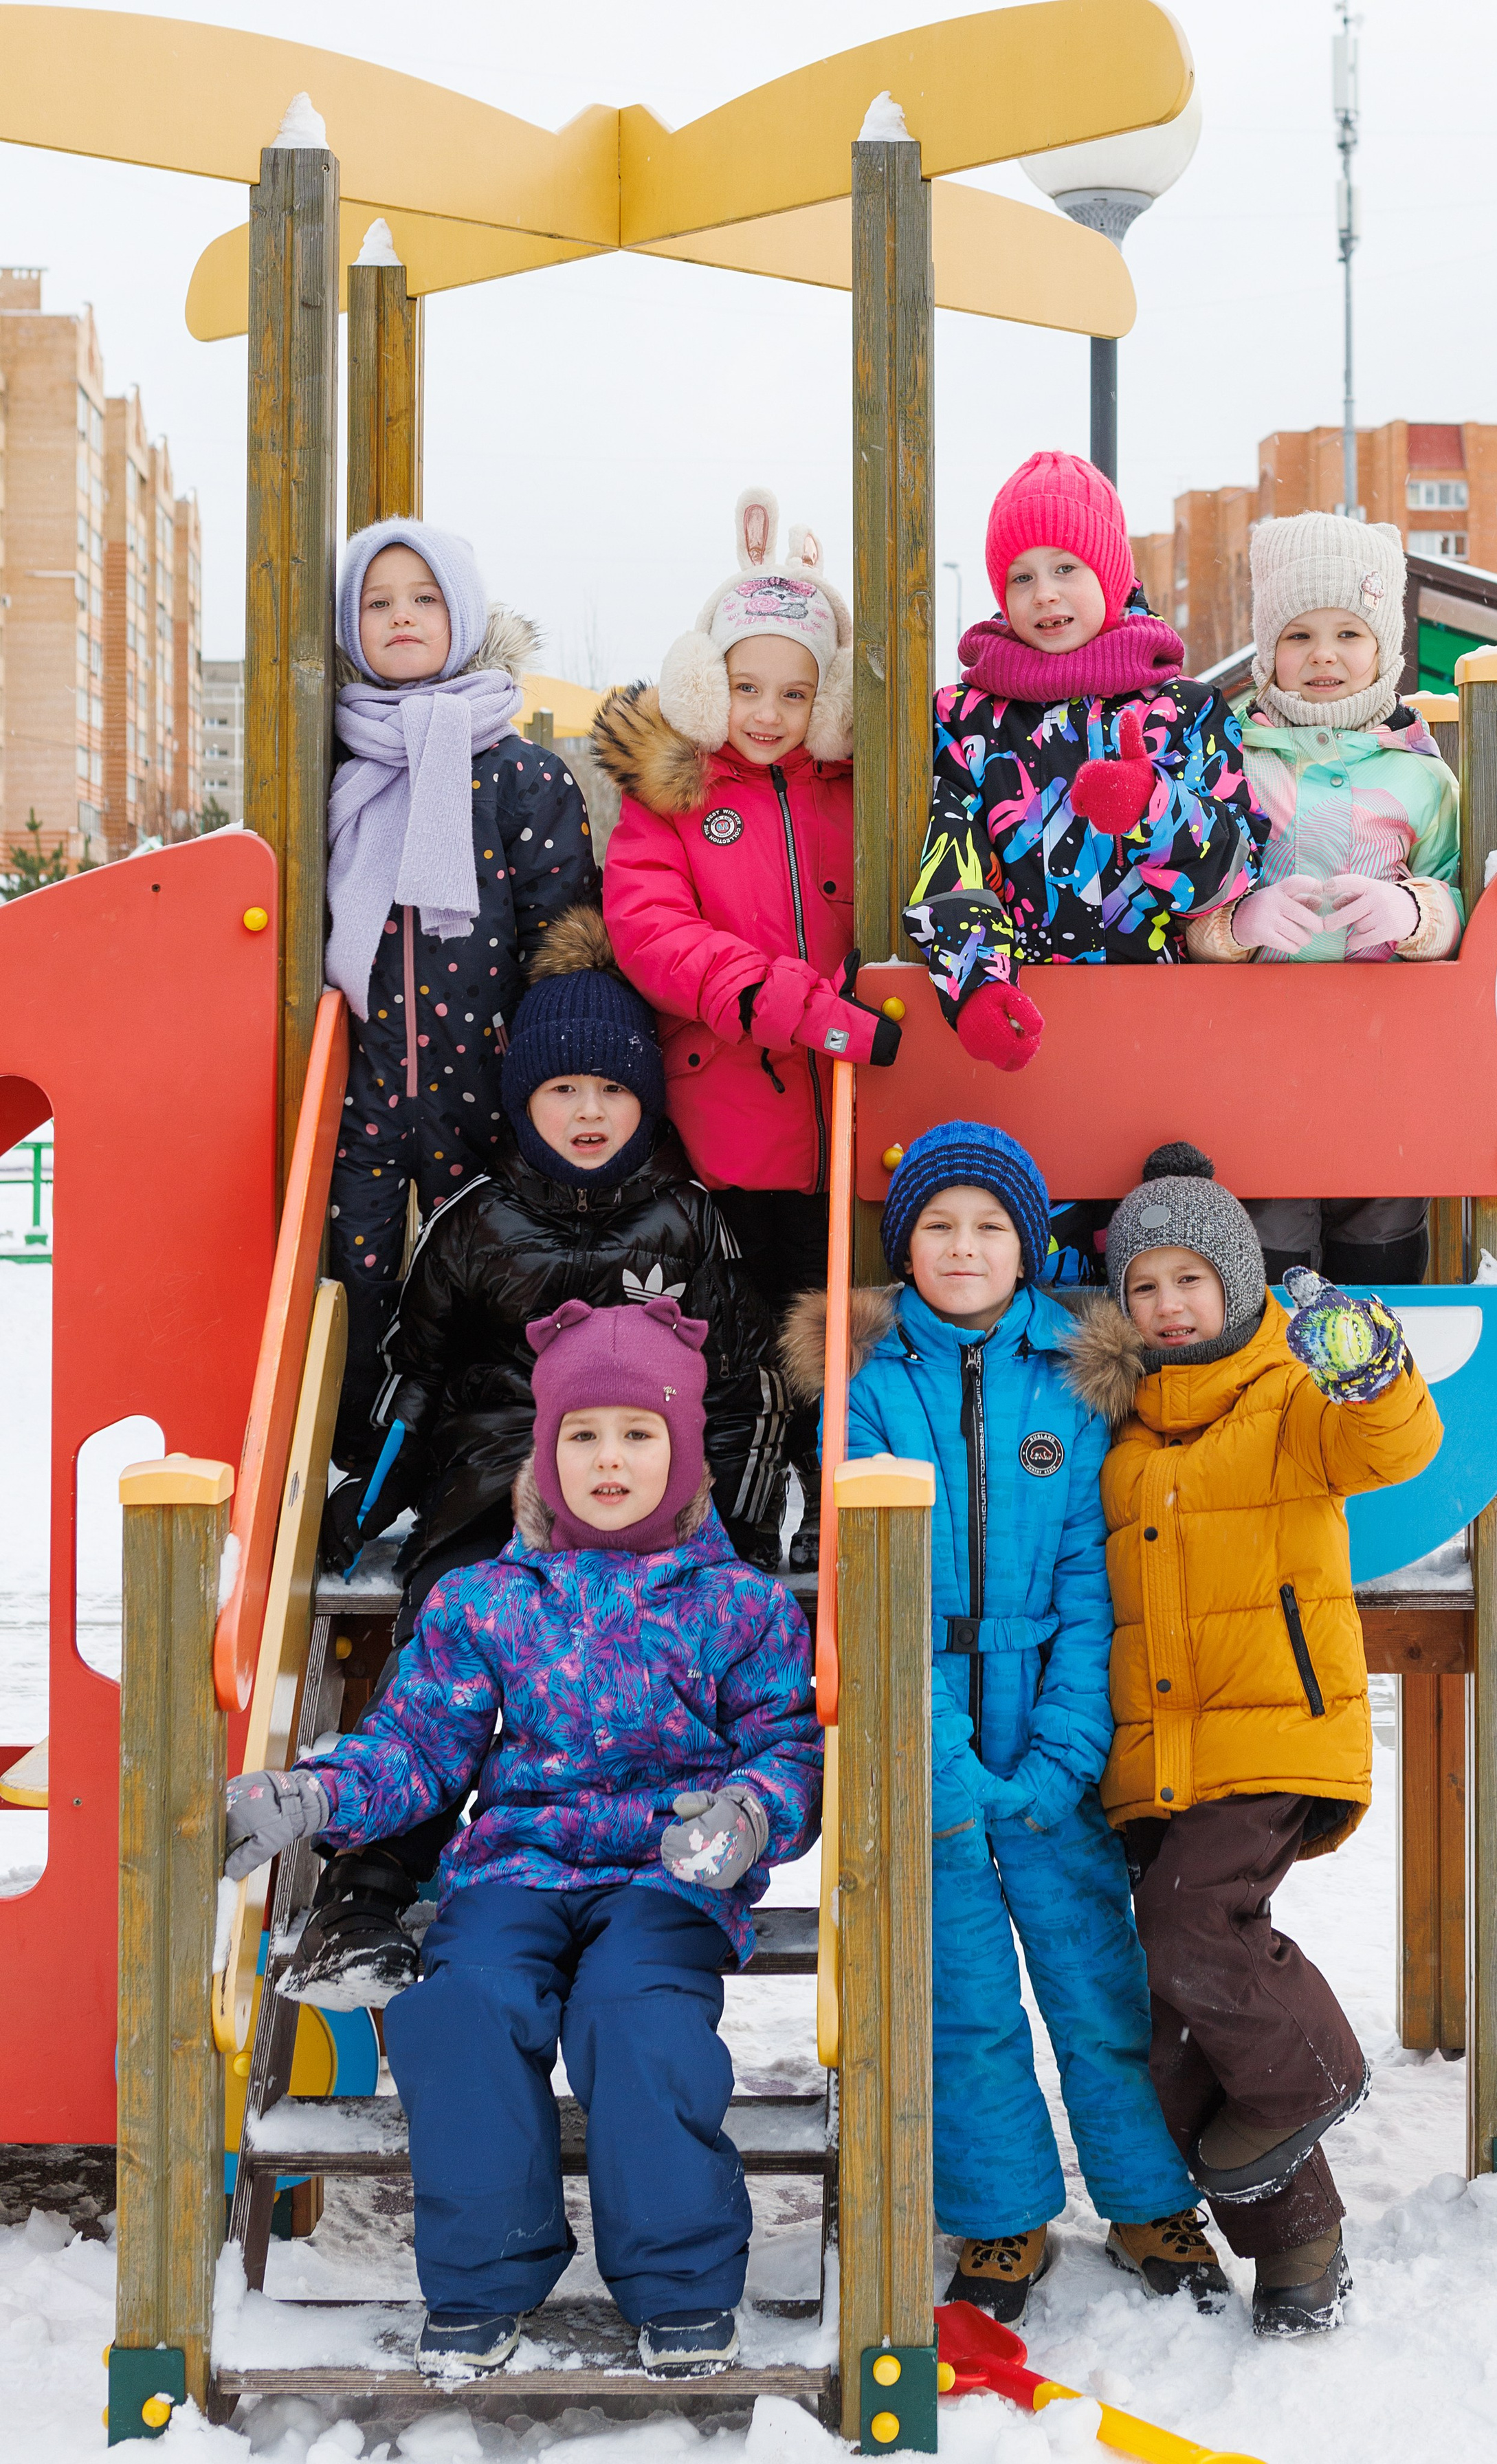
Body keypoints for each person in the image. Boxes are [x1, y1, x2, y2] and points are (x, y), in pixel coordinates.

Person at [224, 1297, 822, 2382]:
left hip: (668, 1874)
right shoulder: (488, 1599)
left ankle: (679, 2280)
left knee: (634, 2023)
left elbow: (787, 1749)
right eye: (582, 1436)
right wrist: (313, 1799)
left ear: (683, 1451)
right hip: (517, 1868)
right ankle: (488, 2272)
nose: (609, 1460)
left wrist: (743, 1817)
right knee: (459, 2006)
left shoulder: (743, 1609)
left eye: (639, 1435)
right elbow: (417, 1744)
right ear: (545, 1454)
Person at [293, 908, 788, 2008]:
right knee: (450, 1644)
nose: (589, 1113)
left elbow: (747, 1387)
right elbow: (413, 1378)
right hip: (493, 1480)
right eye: (564, 1091)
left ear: (644, 1102)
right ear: (523, 1099)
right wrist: (365, 1499)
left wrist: (743, 1542)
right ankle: (371, 1891)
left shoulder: (689, 1221)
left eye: (612, 1091)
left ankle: (653, 1864)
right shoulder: (472, 1223)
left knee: (663, 1659)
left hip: (654, 1491)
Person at [782, 1122, 1221, 2324]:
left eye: (988, 1226)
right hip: (926, 1738)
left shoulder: (1077, 1375)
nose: (964, 1247)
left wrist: (1069, 1745)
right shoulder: (868, 1386)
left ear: (1026, 1246)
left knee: (1096, 1981)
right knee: (963, 1996)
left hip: (1049, 1727)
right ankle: (998, 2215)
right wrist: (945, 1760)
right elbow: (881, 1583)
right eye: (939, 1225)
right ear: (903, 1244)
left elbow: (1092, 1572)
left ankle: (1146, 2195)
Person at [1064, 1143, 1441, 2337]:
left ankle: (1316, 2063)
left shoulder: (1290, 1393)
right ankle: (1300, 2252)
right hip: (1160, 1751)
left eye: (1192, 1278)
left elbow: (1391, 1447)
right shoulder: (1116, 1431)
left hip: (1276, 1729)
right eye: (1146, 1286)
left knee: (1193, 1923)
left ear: (1237, 1282)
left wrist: (1374, 1374)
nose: (1170, 1303)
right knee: (1171, 2021)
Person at [596, 487, 898, 1566]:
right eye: (746, 686)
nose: (766, 713)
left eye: (795, 693)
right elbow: (652, 931)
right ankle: (734, 1520)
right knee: (748, 1327)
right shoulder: (675, 796)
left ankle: (838, 1501)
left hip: (863, 1120)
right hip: (735, 1119)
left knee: (852, 1326)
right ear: (706, 682)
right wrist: (787, 1003)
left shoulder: (863, 789)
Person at [325, 518, 598, 1465]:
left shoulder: (519, 774)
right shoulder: (341, 768)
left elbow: (561, 941)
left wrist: (547, 1076)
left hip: (484, 1086)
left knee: (484, 1277)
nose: (402, 616)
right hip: (365, 1087)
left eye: (424, 598)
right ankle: (356, 1466)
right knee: (353, 1276)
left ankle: (481, 1460)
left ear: (464, 613)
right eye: (378, 601)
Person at [904, 451, 1261, 1081]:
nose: (1044, 593)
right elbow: (947, 859)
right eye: (1021, 577)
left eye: (1066, 567)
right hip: (1024, 1023)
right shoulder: (966, 720)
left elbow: (1235, 875)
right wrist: (976, 983)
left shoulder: (1186, 709)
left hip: (1162, 1027)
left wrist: (1154, 806)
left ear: (1111, 572)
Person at [1184, 512, 1462, 1287]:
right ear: (1267, 649)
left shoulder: (1421, 775)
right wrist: (1236, 923)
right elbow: (1181, 897)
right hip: (1257, 1068)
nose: (1324, 656)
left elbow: (1461, 892)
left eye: (1349, 633)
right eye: (1299, 635)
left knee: (1380, 1247)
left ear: (1384, 649)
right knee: (1270, 1248)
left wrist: (1414, 914)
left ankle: (1380, 1399)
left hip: (1385, 1063)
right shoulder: (1229, 761)